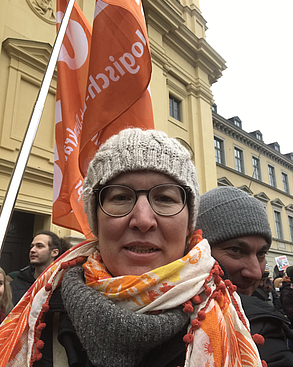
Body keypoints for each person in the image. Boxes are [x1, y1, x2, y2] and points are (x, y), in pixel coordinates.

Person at [0, 128, 262, 367]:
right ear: (97, 220)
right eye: (121, 197)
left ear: (188, 224)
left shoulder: (256, 325)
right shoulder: (39, 320)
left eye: (165, 198)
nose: (143, 220)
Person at [196, 186, 293, 366]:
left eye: (261, 254)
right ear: (197, 250)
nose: (256, 272)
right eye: (236, 250)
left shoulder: (267, 328)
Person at [10, 231, 66, 305]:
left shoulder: (63, 285)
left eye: (39, 246)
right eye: (32, 246)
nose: (32, 250)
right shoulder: (18, 282)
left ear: (54, 252)